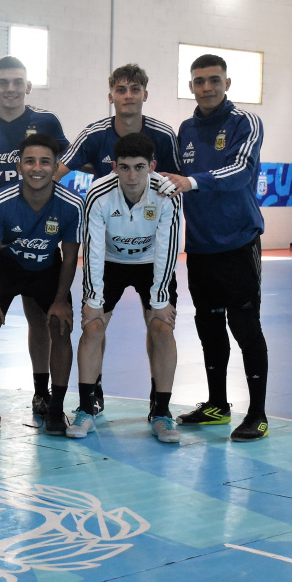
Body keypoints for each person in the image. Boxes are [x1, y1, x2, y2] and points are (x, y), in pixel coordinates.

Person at [159, 53, 269, 441]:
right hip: (201, 248)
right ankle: (217, 405)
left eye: (214, 80)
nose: (207, 87)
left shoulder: (245, 122)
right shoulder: (186, 129)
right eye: (199, 81)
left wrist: (191, 182)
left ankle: (257, 414)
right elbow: (169, 173)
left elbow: (240, 171)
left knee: (245, 327)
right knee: (208, 327)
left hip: (238, 242)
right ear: (191, 86)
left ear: (227, 83)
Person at [0, 56, 69, 421]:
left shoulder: (47, 121)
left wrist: (45, 185)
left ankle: (42, 392)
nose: (10, 89)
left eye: (17, 82)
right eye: (4, 82)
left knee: (41, 320)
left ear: (28, 86)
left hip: (39, 237)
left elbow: (70, 157)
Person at [74, 132, 182, 443]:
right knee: (93, 326)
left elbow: (168, 248)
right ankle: (87, 407)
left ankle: (161, 411)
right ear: (114, 167)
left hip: (151, 263)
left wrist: (160, 298)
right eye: (124, 167)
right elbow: (92, 247)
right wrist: (93, 298)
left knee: (162, 328)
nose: (131, 176)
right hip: (110, 262)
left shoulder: (167, 193)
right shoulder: (98, 193)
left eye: (139, 167)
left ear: (152, 166)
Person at [0, 133, 82, 435]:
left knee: (60, 326)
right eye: (30, 161)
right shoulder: (0, 202)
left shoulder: (71, 204)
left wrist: (61, 300)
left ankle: (55, 408)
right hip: (6, 267)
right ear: (19, 166)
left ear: (56, 167)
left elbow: (70, 256)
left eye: (45, 162)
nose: (37, 168)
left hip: (47, 268)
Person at [56, 63, 178, 182]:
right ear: (110, 98)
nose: (128, 96)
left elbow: (178, 182)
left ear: (145, 95)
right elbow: (55, 174)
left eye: (135, 89)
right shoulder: (93, 135)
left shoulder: (164, 136)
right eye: (121, 90)